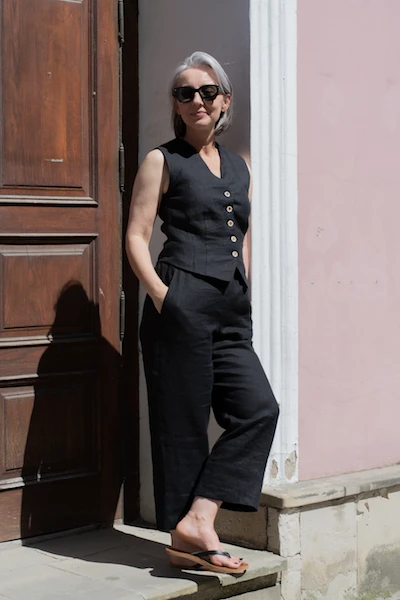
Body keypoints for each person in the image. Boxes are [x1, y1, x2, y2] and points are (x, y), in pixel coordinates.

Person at [125, 51, 279, 574]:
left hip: (232, 311)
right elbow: (136, 235)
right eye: (185, 93)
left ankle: (199, 516)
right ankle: (191, 537)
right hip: (181, 300)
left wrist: (244, 285)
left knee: (259, 409)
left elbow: (244, 234)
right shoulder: (161, 160)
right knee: (182, 421)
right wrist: (163, 297)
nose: (197, 100)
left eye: (207, 92)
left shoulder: (240, 165)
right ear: (175, 104)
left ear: (224, 100)